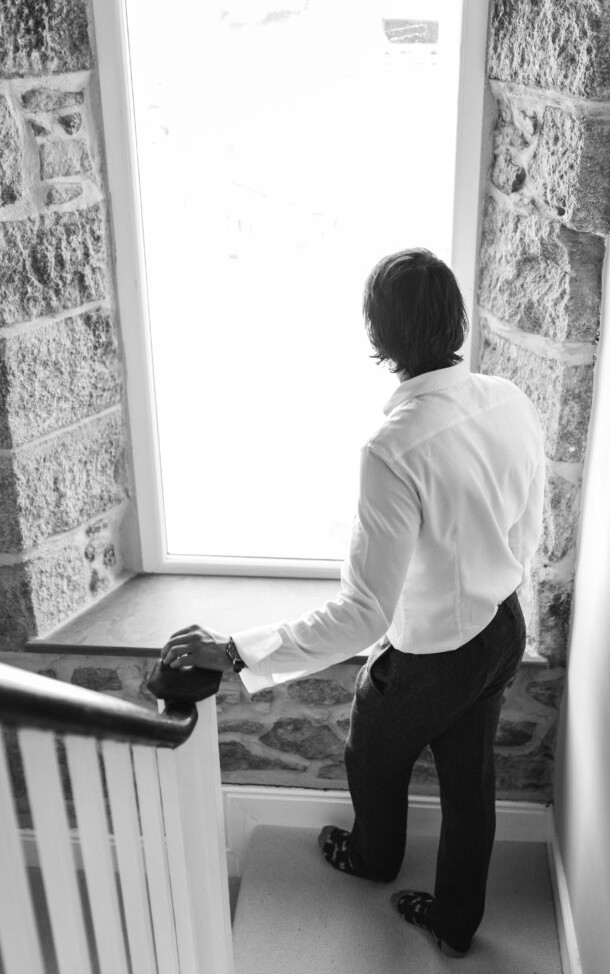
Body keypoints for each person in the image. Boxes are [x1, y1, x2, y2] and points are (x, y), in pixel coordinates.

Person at [160, 248, 545, 958]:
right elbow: (529, 525)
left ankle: (373, 859)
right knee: (470, 786)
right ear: (456, 318)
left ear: (377, 339)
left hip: (431, 655)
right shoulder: (509, 398)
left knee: (370, 758)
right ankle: (455, 924)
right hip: (503, 627)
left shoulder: (392, 448)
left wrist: (237, 651)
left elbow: (364, 614)